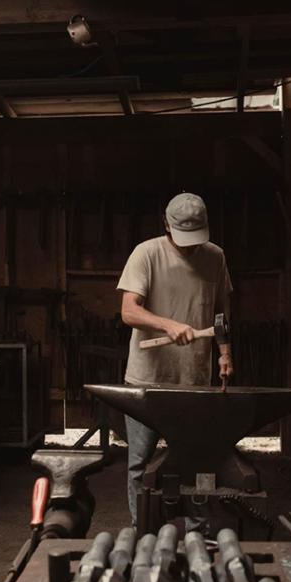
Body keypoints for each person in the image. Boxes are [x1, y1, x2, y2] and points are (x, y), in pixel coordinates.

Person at [117, 192, 234, 526]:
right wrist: (168, 324)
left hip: (193, 382)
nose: (190, 247)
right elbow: (129, 311)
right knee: (140, 464)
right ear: (166, 225)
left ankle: (198, 534)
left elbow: (222, 314)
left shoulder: (215, 257)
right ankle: (144, 532)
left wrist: (225, 352)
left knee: (196, 462)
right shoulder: (146, 254)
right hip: (146, 381)